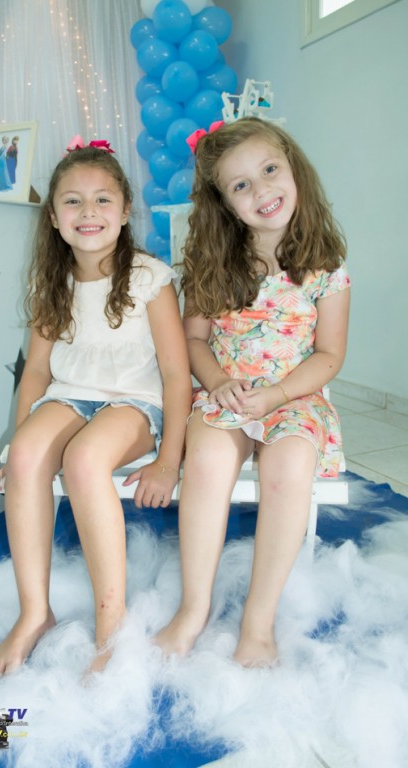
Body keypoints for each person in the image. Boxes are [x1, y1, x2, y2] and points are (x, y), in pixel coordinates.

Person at [0, 142, 191, 676]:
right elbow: (37, 371)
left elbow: (175, 375)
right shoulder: (52, 282)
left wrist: (169, 460)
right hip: (69, 394)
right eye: (72, 201)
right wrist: (15, 445)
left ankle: (111, 623)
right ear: (54, 218)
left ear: (124, 211)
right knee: (26, 456)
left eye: (102, 199)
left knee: (84, 459)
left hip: (135, 401)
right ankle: (34, 612)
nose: (88, 211)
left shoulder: (149, 278)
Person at [155, 117, 351, 668]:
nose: (262, 190)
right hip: (227, 393)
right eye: (241, 184)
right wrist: (218, 383)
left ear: (294, 168)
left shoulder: (326, 267)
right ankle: (193, 609)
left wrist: (279, 395)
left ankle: (258, 623)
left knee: (290, 466)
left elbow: (329, 355)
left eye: (269, 170)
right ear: (224, 202)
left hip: (295, 396)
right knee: (207, 460)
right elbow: (194, 339)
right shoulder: (212, 264)